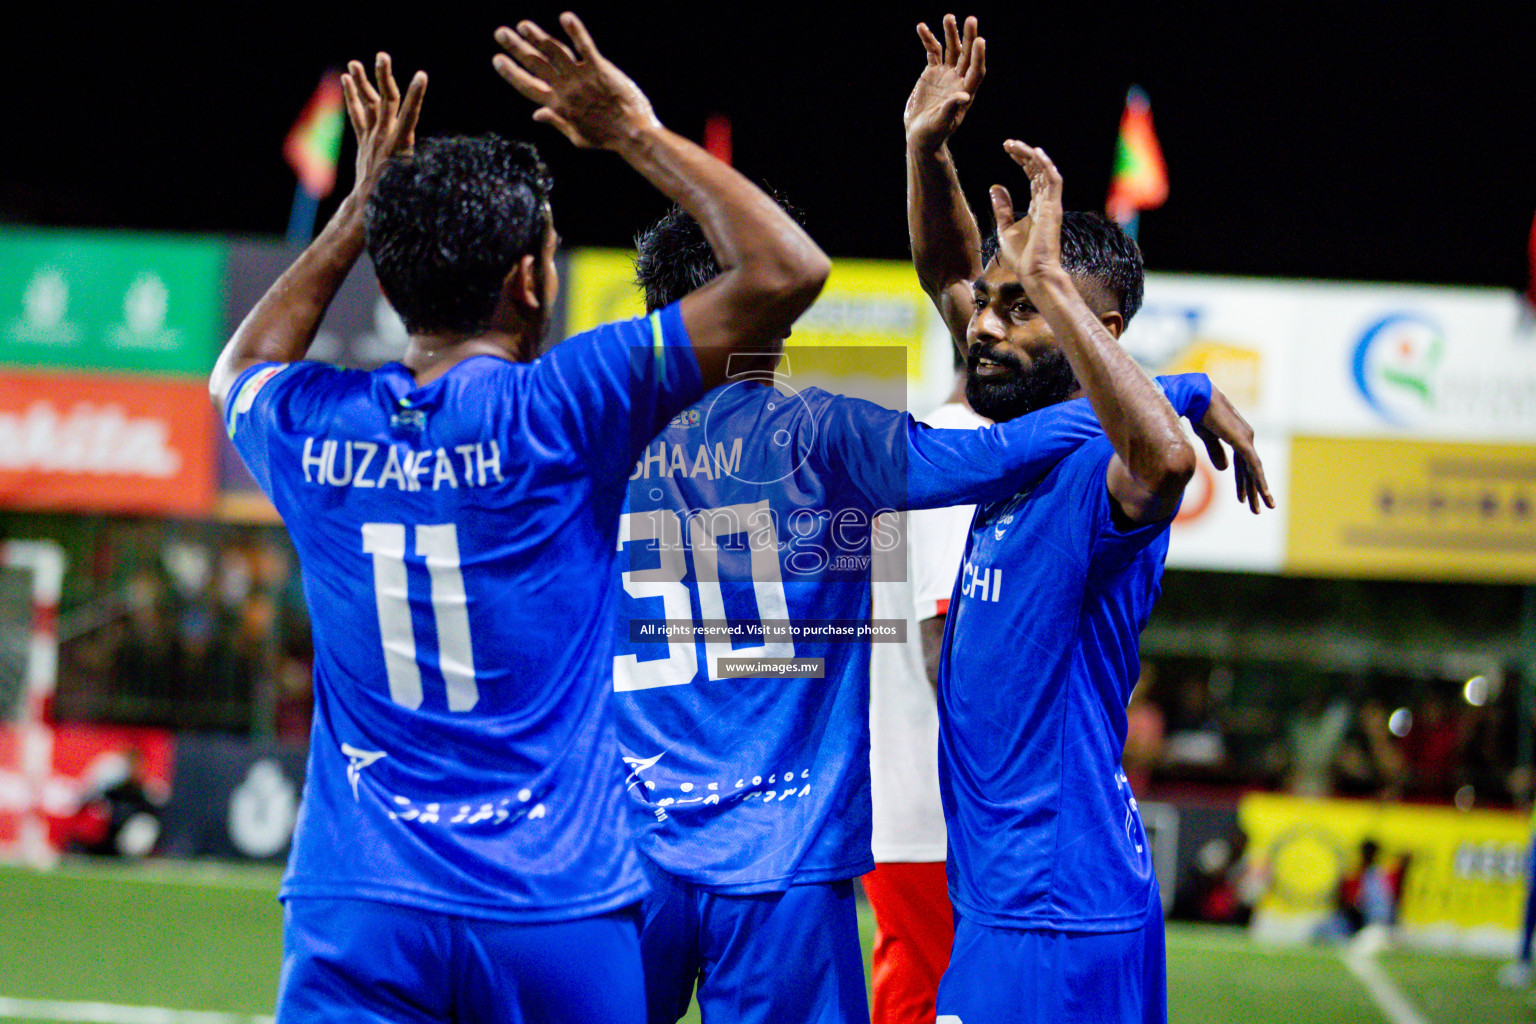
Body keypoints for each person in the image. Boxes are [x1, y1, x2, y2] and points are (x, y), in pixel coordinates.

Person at [210, 14, 832, 1022]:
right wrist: (633, 131)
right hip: (553, 909)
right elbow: (786, 270)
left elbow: (236, 369)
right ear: (532, 280)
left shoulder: (313, 429)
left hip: (361, 904)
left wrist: (358, 214)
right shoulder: (566, 407)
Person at [614, 205, 1235, 1024]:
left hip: (631, 851)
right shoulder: (828, 439)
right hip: (783, 864)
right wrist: (1176, 389)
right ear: (773, 312)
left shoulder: (589, 439)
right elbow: (994, 448)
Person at [905, 15, 1273, 1024]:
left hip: (1050, 914)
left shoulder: (1091, 466)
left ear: (1092, 329)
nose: (984, 324)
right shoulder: (1022, 426)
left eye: (1019, 308)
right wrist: (925, 149)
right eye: (992, 301)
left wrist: (1057, 284)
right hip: (1022, 901)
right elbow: (948, 276)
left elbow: (1162, 457)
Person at [864, 363, 984, 1024]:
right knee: (941, 997)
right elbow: (941, 641)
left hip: (901, 792)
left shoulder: (908, 447)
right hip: (938, 805)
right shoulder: (958, 453)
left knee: (913, 984)